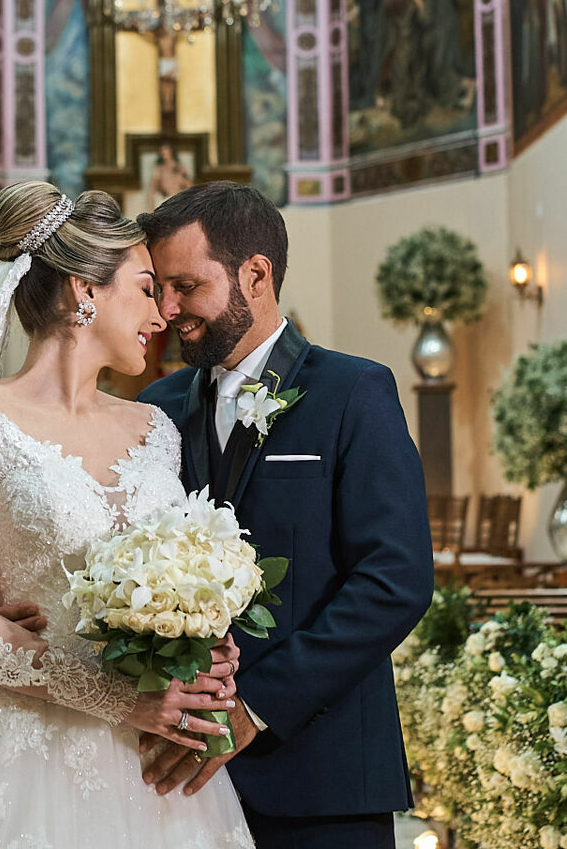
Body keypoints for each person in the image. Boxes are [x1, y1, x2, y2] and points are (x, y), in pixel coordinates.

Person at [0, 183, 255, 848]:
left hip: (159, 765)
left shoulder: (157, 428)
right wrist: (117, 698)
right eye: (147, 288)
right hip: (34, 757)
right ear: (83, 291)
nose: (162, 313)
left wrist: (207, 639)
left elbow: (178, 572)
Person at [136, 181, 434, 848]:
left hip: (322, 777)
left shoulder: (354, 392)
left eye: (185, 286)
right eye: (159, 288)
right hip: (173, 778)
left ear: (256, 274)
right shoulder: (155, 407)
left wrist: (254, 708)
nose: (167, 309)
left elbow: (396, 581)